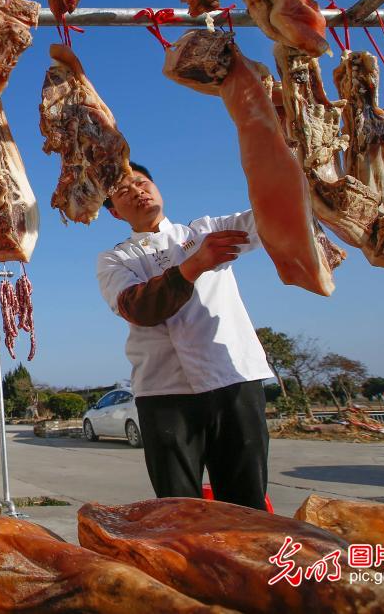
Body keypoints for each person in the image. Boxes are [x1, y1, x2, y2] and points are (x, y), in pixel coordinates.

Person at [95, 163, 273, 511]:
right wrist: (195, 265)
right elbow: (138, 307)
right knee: (178, 508)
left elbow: (273, 216)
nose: (137, 191)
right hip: (164, 392)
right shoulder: (115, 260)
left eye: (142, 183)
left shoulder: (207, 231)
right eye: (123, 191)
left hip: (234, 379)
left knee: (246, 501)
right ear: (115, 212)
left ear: (159, 188)